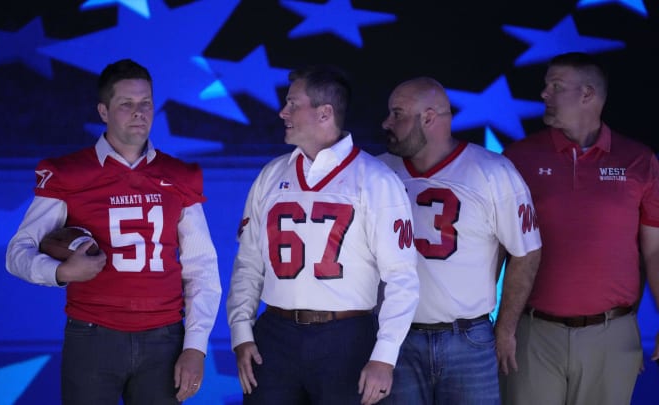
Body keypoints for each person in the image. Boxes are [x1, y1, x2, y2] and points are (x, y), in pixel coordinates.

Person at [6, 59, 222, 404]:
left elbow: (202, 267)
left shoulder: (178, 176)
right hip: (93, 335)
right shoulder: (69, 173)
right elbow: (18, 252)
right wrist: (61, 271)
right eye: (127, 104)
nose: (139, 112)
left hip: (164, 338)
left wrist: (196, 346)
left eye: (146, 103)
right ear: (103, 111)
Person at [226, 65, 421, 405]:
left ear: (324, 112)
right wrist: (241, 333)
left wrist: (384, 356)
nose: (282, 112)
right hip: (275, 334)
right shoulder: (271, 175)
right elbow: (248, 264)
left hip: (346, 338)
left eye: (292, 104)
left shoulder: (375, 180)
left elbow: (402, 278)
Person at [502, 52, 659, 405]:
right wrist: (498, 328)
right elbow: (495, 248)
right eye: (546, 85)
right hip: (532, 334)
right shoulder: (518, 158)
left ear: (588, 95)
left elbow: (654, 250)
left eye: (556, 86)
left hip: (612, 335)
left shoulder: (638, 161)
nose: (544, 94)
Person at [376, 77, 542, 404]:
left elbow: (526, 252)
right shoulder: (378, 172)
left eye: (398, 114)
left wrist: (505, 329)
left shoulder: (493, 171)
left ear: (429, 118)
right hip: (394, 339)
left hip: (468, 337)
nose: (386, 123)